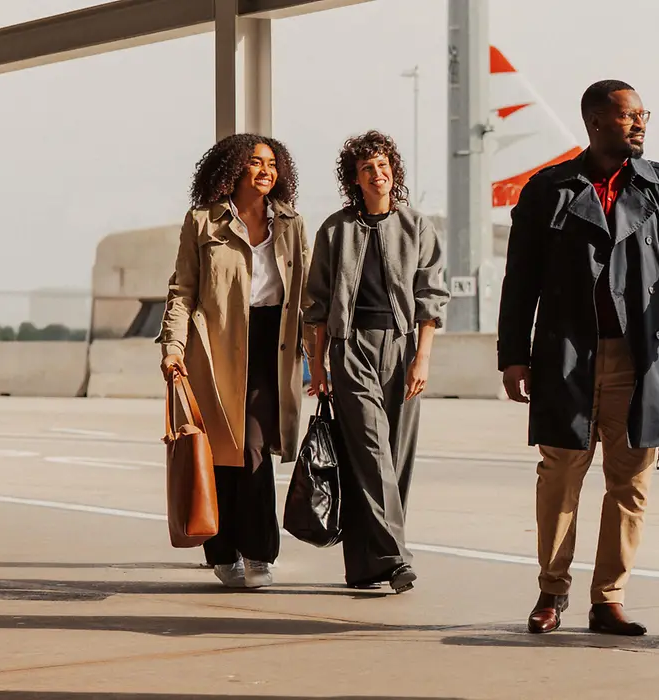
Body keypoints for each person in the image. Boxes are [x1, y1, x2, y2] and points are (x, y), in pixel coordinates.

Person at [498, 80, 659, 635]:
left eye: (643, 114)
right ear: (595, 121)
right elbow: (520, 281)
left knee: (630, 484)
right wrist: (513, 355)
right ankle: (552, 592)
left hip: (641, 360)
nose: (640, 123)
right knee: (560, 476)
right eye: (628, 115)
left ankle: (607, 598)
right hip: (566, 357)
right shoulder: (548, 189)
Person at [159, 133, 309, 589]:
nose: (266, 171)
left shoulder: (292, 223)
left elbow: (308, 297)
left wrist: (320, 358)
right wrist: (173, 347)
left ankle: (260, 550)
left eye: (272, 163)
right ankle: (222, 550)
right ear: (233, 169)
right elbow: (183, 289)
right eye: (255, 163)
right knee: (223, 453)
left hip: (273, 346)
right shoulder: (203, 222)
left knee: (256, 449)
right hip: (216, 347)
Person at [303, 130, 449, 593]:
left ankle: (367, 566)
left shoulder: (417, 226)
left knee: (396, 458)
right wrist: (319, 366)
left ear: (393, 171)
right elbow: (316, 306)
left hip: (404, 347)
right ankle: (397, 558)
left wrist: (421, 359)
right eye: (368, 168)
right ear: (356, 179)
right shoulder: (335, 229)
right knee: (370, 451)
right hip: (351, 347)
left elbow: (431, 298)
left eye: (383, 166)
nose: (378, 174)